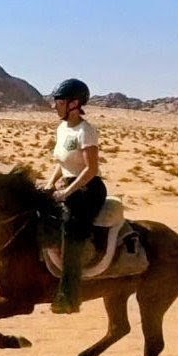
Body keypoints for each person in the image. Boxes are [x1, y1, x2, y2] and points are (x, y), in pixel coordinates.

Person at [43, 78, 107, 314]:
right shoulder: (62, 129)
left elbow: (91, 169)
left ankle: (69, 296)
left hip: (88, 188)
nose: (54, 106)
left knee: (72, 228)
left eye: (59, 102)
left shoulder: (86, 131)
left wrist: (67, 192)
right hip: (67, 183)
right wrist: (49, 184)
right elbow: (62, 163)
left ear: (74, 104)